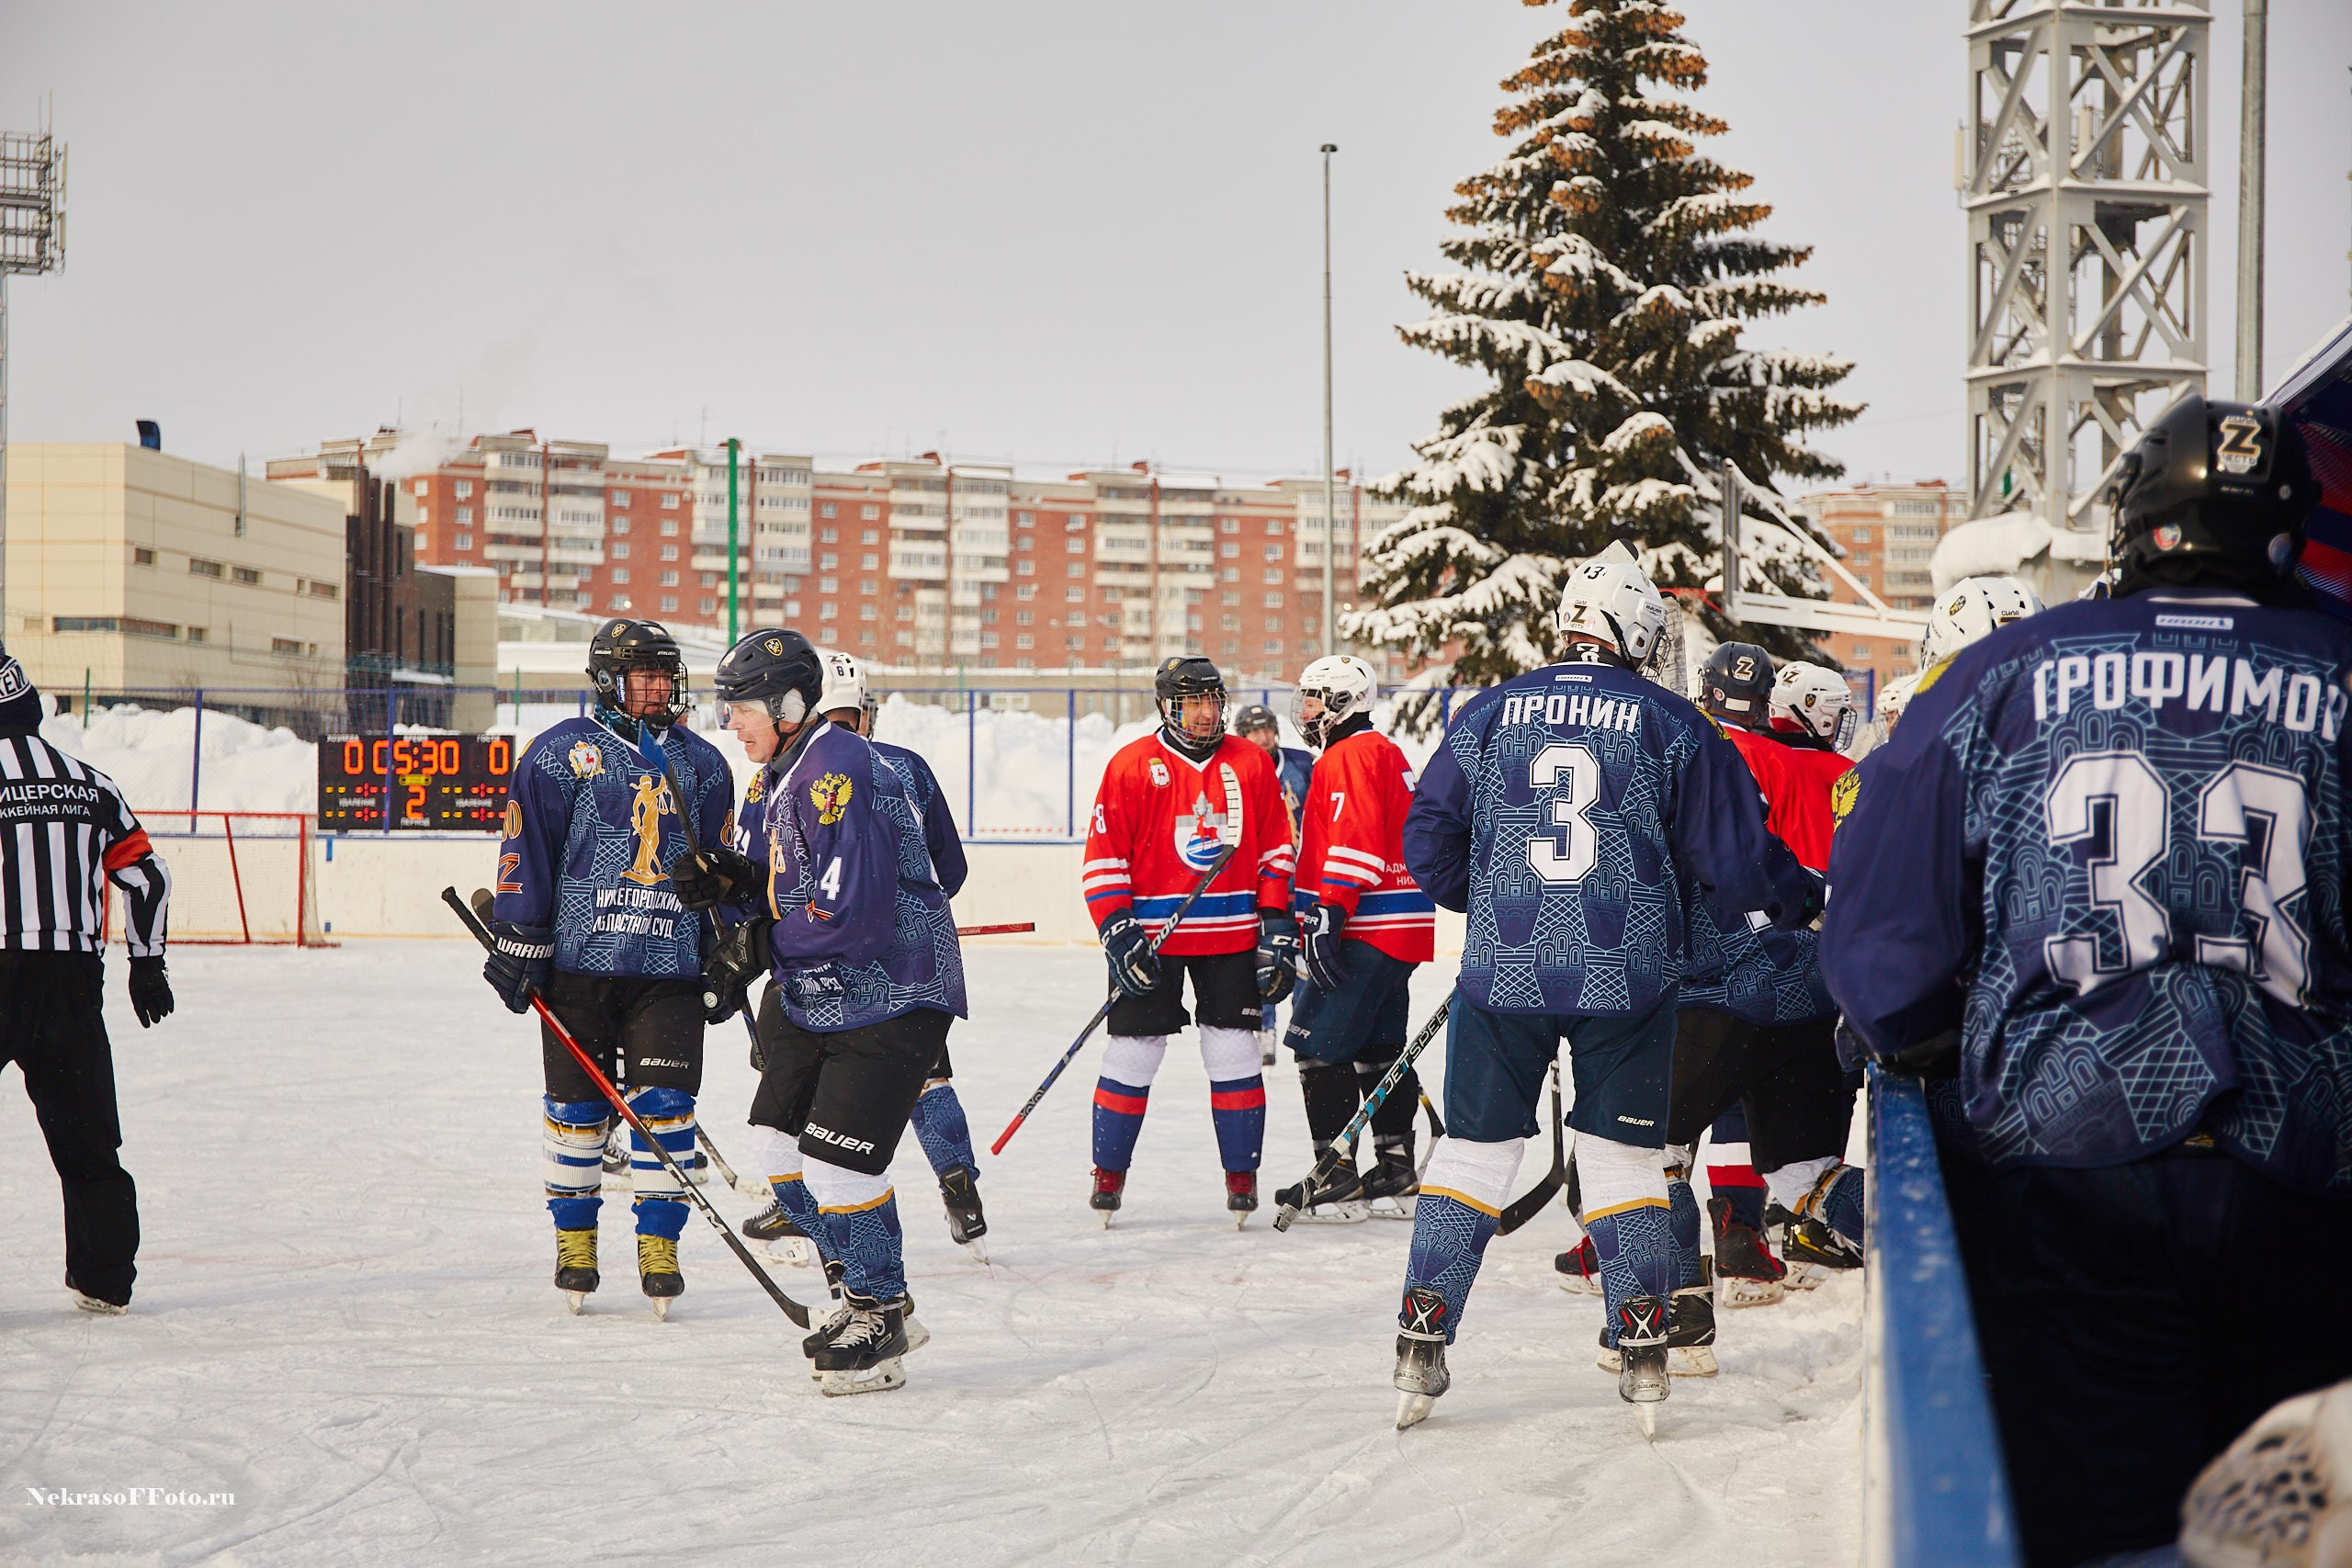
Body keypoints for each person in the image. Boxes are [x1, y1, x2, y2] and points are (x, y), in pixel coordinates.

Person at [1824, 394, 2352, 1567]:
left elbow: (1878, 937)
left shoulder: (2006, 667)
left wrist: (1923, 1035)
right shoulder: (2340, 665)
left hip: (2079, 1155)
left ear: (2135, 519)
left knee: (2111, 1523)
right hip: (2306, 1170)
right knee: (2293, 1528)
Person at [1392, 547, 1822, 1429]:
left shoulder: (1487, 711)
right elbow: (1736, 865)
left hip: (1503, 971)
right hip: (1626, 972)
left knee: (1472, 1154)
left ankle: (1421, 1344)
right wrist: (1806, 897)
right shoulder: (1670, 720)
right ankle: (1643, 1352)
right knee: (1626, 1160)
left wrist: (1502, 897)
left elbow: (1428, 843)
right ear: (1632, 631)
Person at [671, 628, 967, 1394]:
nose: (728, 723)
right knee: (776, 1144)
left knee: (837, 1158)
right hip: (824, 991)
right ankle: (858, 1285)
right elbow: (791, 882)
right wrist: (735, 880)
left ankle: (881, 1305)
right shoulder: (782, 773)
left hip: (892, 989)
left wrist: (756, 944)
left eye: (739, 708)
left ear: (788, 704)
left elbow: (854, 917)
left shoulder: (837, 768)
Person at [483, 618, 732, 1317]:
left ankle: (660, 1246)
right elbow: (525, 850)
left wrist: (730, 944)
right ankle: (576, 1244)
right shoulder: (559, 754)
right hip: (578, 971)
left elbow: (726, 865)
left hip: (669, 969)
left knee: (668, 1111)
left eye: (664, 674)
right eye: (643, 674)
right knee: (575, 1115)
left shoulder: (704, 764)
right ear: (608, 681)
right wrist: (520, 937)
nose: (658, 687)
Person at [1081, 655, 1295, 1225]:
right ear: (1166, 706)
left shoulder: (1250, 763)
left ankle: (1241, 1174)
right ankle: (1109, 1171)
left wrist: (1277, 926)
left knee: (1234, 1052)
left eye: (1210, 701)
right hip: (1153, 941)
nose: (1204, 714)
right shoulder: (1130, 766)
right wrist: (1117, 929)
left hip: (1231, 937)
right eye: (1190, 702)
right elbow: (1104, 861)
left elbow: (1277, 851)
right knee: (1134, 1051)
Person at [0, 647, 174, 1314]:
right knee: (88, 1135)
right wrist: (147, 961)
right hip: (69, 982)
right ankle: (103, 1278)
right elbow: (148, 876)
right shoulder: (90, 783)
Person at [813, 651, 988, 1258]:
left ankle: (815, 1210)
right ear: (866, 713)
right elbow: (952, 869)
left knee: (818, 1078)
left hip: (832, 956)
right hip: (916, 959)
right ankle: (958, 1179)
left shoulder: (793, 774)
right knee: (927, 1077)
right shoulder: (908, 767)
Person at [1272, 655, 1434, 1223]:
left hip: (1365, 923)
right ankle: (1395, 1167)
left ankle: (1333, 1174)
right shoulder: (1384, 751)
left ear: (1343, 703)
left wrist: (1326, 915)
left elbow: (1355, 843)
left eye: (1316, 698)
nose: (1306, 710)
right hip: (1401, 925)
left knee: (1317, 1047)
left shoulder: (1349, 756)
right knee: (1378, 1050)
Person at [1234, 701, 1312, 1065]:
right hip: (1265, 882)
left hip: (1304, 878)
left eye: (1266, 729)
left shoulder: (1301, 764)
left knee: (1306, 960)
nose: (1262, 737)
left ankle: (1303, 1025)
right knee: (1266, 959)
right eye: (1253, 731)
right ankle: (1265, 1029)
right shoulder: (1237, 770)